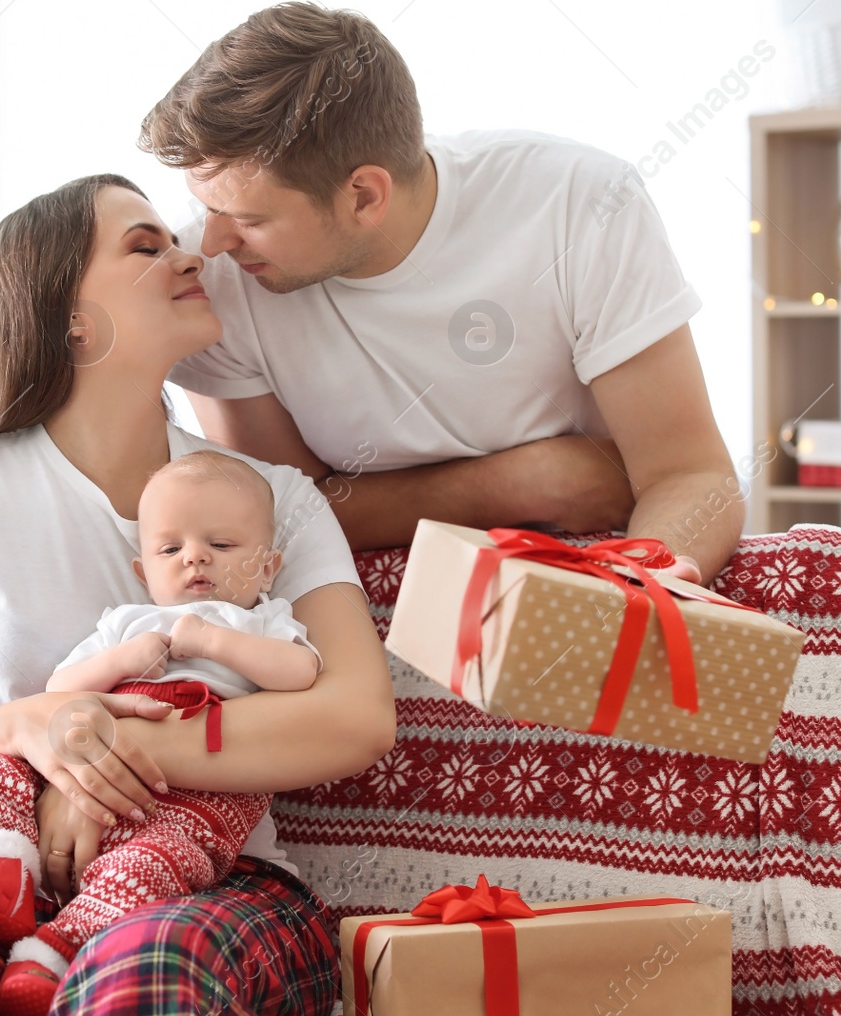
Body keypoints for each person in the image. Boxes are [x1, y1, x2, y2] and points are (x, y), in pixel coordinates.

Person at [0, 173, 395, 1016]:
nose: (190, 253)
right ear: (66, 316)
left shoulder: (277, 502)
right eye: (145, 246)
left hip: (211, 882)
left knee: (134, 1002)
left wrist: (101, 755)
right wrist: (32, 729)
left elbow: (353, 717)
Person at [141, 2, 744, 583]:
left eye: (246, 218)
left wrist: (640, 598)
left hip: (594, 565)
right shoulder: (211, 283)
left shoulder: (579, 203)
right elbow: (277, 520)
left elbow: (689, 474)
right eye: (204, 207)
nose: (211, 243)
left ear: (364, 197)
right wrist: (513, 485)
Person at [0, 449, 323, 1016]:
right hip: (80, 774)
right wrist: (123, 659)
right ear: (143, 570)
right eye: (171, 550)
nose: (195, 558)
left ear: (269, 566)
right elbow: (62, 689)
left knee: (150, 865)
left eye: (222, 545)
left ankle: (52, 956)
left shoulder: (262, 621)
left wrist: (213, 640)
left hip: (197, 798)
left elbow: (301, 673)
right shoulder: (126, 622)